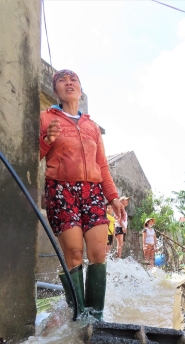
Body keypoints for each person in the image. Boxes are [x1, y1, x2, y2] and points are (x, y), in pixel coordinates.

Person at [39, 69, 125, 320]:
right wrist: (47, 139)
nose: (68, 83)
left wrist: (113, 197)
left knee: (99, 253)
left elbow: (103, 166)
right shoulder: (46, 117)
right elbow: (33, 153)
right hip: (61, 190)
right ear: (55, 90)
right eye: (62, 81)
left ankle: (96, 317)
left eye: (73, 79)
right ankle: (78, 316)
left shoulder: (92, 126)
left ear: (80, 88)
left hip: (93, 192)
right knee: (75, 253)